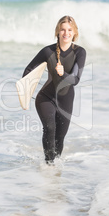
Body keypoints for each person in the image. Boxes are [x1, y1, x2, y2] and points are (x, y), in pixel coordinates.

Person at [22, 16, 86, 164]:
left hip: (66, 99)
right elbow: (28, 71)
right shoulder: (47, 51)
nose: (66, 33)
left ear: (75, 32)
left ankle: (55, 169)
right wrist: (25, 89)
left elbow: (75, 80)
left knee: (60, 137)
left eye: (70, 30)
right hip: (46, 97)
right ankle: (48, 165)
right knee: (50, 128)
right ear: (57, 31)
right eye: (62, 29)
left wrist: (63, 73)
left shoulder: (79, 52)